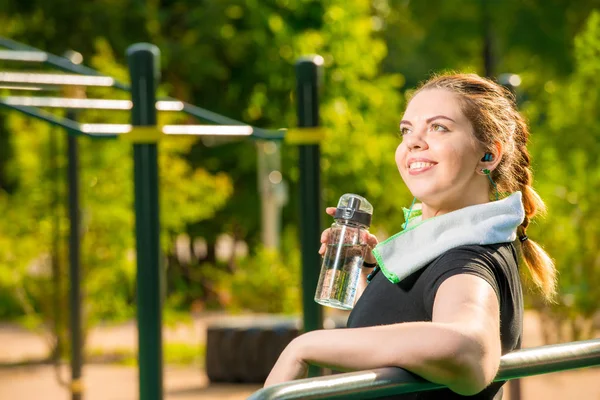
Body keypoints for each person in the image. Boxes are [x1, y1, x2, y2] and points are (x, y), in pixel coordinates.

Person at [264, 73, 557, 399]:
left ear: (488, 155)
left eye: (439, 127)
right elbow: (400, 330)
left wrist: (304, 346)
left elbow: (469, 352)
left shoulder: (464, 259)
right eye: (406, 130)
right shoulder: (445, 247)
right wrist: (365, 273)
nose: (413, 141)